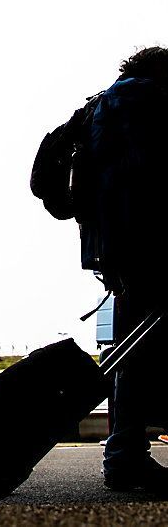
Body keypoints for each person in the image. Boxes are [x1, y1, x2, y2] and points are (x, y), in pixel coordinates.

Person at [88, 47, 168, 493]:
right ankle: (125, 456)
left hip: (115, 243)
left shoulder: (104, 103)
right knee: (141, 351)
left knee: (130, 350)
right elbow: (154, 172)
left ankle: (124, 456)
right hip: (149, 241)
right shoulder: (146, 102)